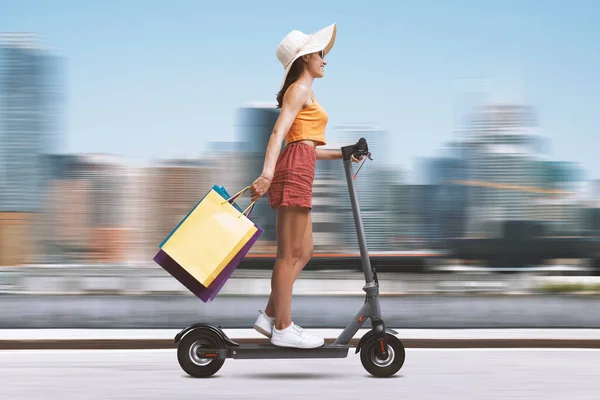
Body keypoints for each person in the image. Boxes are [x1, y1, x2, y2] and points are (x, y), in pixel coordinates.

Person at [248, 23, 362, 349]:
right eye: (321, 54)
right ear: (306, 58)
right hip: (293, 171)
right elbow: (278, 134)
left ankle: (270, 314)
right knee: (287, 256)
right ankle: (282, 327)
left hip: (302, 167)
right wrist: (267, 175)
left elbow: (307, 146)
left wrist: (345, 152)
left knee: (306, 252)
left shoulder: (307, 93)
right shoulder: (297, 90)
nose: (325, 60)